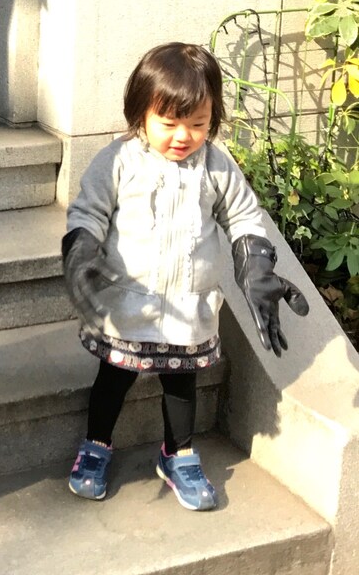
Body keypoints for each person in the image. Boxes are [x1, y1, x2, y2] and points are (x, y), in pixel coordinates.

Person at [61, 43, 308, 511]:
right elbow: (89, 210)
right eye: (169, 122)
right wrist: (81, 249)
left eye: (197, 124)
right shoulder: (118, 160)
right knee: (113, 379)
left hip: (189, 309)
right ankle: (96, 444)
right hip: (127, 306)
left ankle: (177, 453)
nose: (183, 136)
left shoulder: (216, 165)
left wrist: (255, 261)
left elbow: (244, 215)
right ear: (141, 113)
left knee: (181, 385)